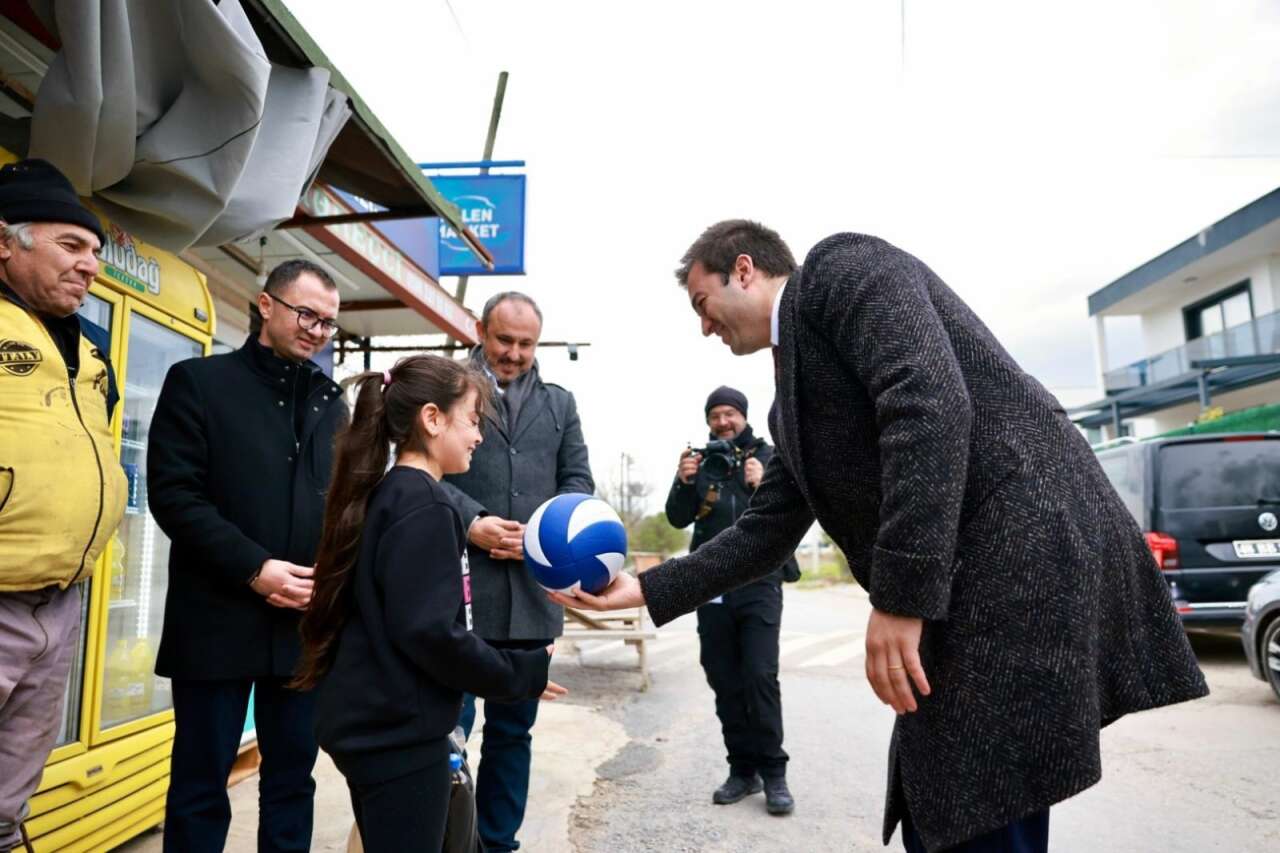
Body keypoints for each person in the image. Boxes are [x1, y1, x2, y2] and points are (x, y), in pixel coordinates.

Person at [553, 220, 1209, 853]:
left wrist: (900, 597)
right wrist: (643, 587)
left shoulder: (843, 268)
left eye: (703, 301)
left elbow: (928, 400)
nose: (703, 325)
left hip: (1017, 553)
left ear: (744, 269)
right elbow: (765, 530)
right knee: (949, 794)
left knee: (974, 796)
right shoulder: (790, 404)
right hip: (965, 583)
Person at [293, 355, 565, 853]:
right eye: (473, 420)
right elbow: (431, 633)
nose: (478, 436)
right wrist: (521, 671)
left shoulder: (395, 494)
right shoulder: (425, 504)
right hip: (397, 737)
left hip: (380, 727)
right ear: (432, 419)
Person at [147, 259, 348, 853]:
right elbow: (175, 496)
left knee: (291, 784)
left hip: (302, 627)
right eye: (305, 314)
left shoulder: (331, 403)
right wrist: (255, 570)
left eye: (328, 322)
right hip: (215, 618)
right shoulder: (198, 382)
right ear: (266, 305)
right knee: (200, 787)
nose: (316, 330)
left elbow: (342, 508)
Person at [437, 291, 593, 853]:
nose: (514, 353)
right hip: (455, 594)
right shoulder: (446, 387)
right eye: (504, 340)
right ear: (481, 330)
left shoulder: (560, 403)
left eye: (526, 344)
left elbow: (578, 481)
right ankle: (444, 841)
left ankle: (497, 844)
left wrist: (540, 533)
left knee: (512, 735)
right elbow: (419, 470)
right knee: (447, 733)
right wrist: (472, 521)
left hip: (532, 596)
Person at [0, 159, 124, 853]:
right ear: (5, 243)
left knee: (11, 788)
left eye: (96, 253)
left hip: (60, 602)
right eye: (71, 246)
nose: (90, 267)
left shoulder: (93, 349)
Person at [665, 385, 798, 814]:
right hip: (712, 585)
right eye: (715, 415)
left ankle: (774, 774)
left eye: (730, 414)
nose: (723, 422)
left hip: (761, 581)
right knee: (723, 676)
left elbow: (794, 513)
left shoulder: (772, 455)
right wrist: (684, 482)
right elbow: (677, 517)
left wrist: (762, 484)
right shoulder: (702, 462)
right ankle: (742, 770)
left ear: (743, 415)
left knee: (759, 675)